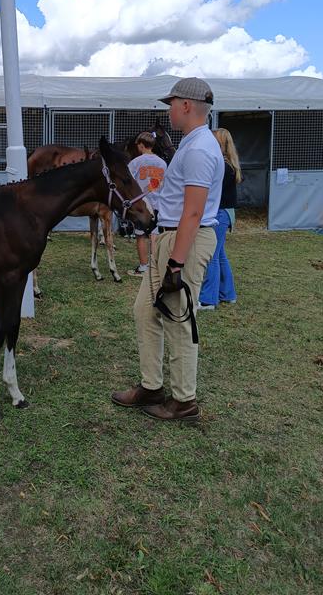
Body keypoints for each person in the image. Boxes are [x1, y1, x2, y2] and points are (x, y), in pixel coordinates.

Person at [111, 77, 224, 422]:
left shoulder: (200, 149)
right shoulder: (192, 144)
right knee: (146, 311)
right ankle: (151, 386)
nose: (169, 110)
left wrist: (176, 262)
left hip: (183, 240)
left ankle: (184, 400)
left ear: (186, 105)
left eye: (172, 104)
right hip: (169, 237)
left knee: (178, 318)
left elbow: (193, 212)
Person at [198, 128, 241, 310]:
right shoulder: (230, 165)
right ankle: (227, 293)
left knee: (212, 256)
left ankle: (208, 300)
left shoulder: (222, 166)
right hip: (226, 213)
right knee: (220, 254)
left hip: (220, 213)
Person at [126, 132, 167, 276]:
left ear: (141, 145)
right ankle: (155, 267)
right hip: (158, 203)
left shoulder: (136, 162)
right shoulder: (162, 163)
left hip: (142, 205)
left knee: (141, 236)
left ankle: (144, 267)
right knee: (155, 235)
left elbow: (128, 181)